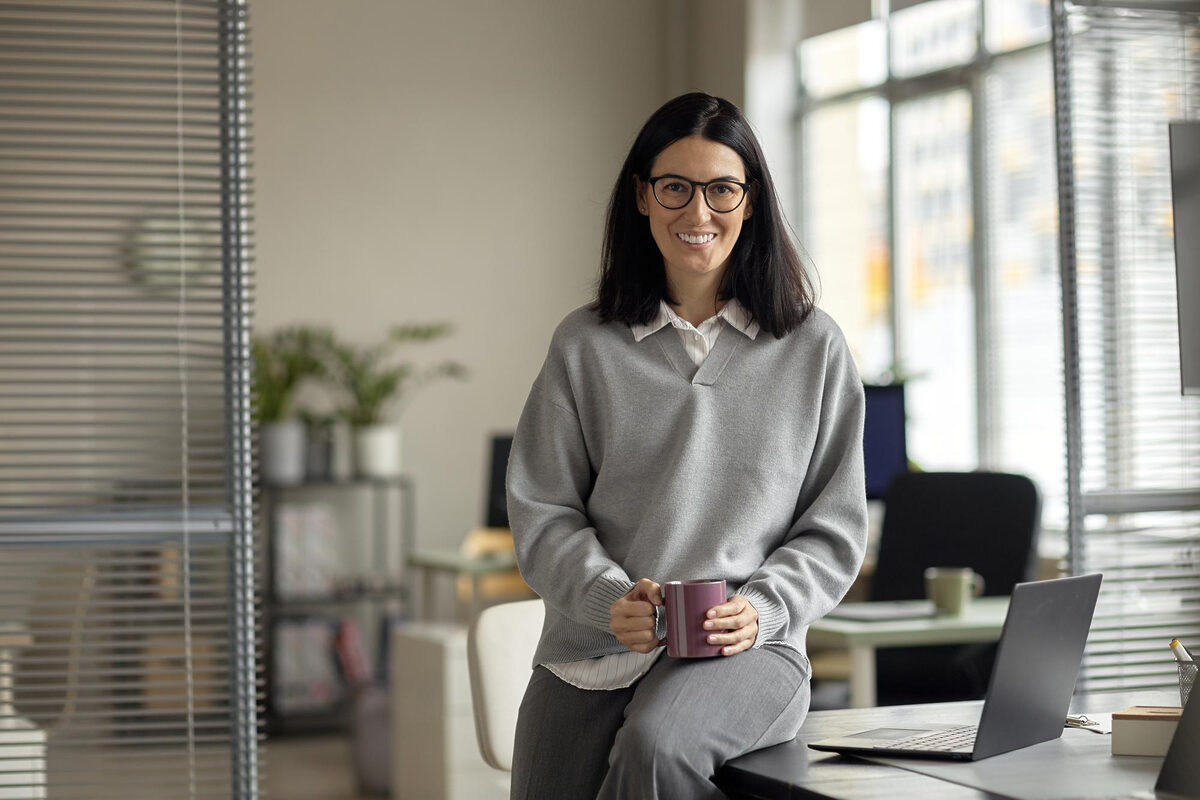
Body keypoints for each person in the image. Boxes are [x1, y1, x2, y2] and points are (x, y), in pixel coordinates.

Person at [505, 92, 868, 800]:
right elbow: (542, 510)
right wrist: (609, 599)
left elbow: (835, 526)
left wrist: (763, 608)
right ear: (642, 197)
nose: (698, 214)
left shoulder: (813, 347)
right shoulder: (585, 345)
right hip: (595, 643)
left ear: (751, 200)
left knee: (656, 750)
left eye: (721, 189)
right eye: (675, 187)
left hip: (747, 643)